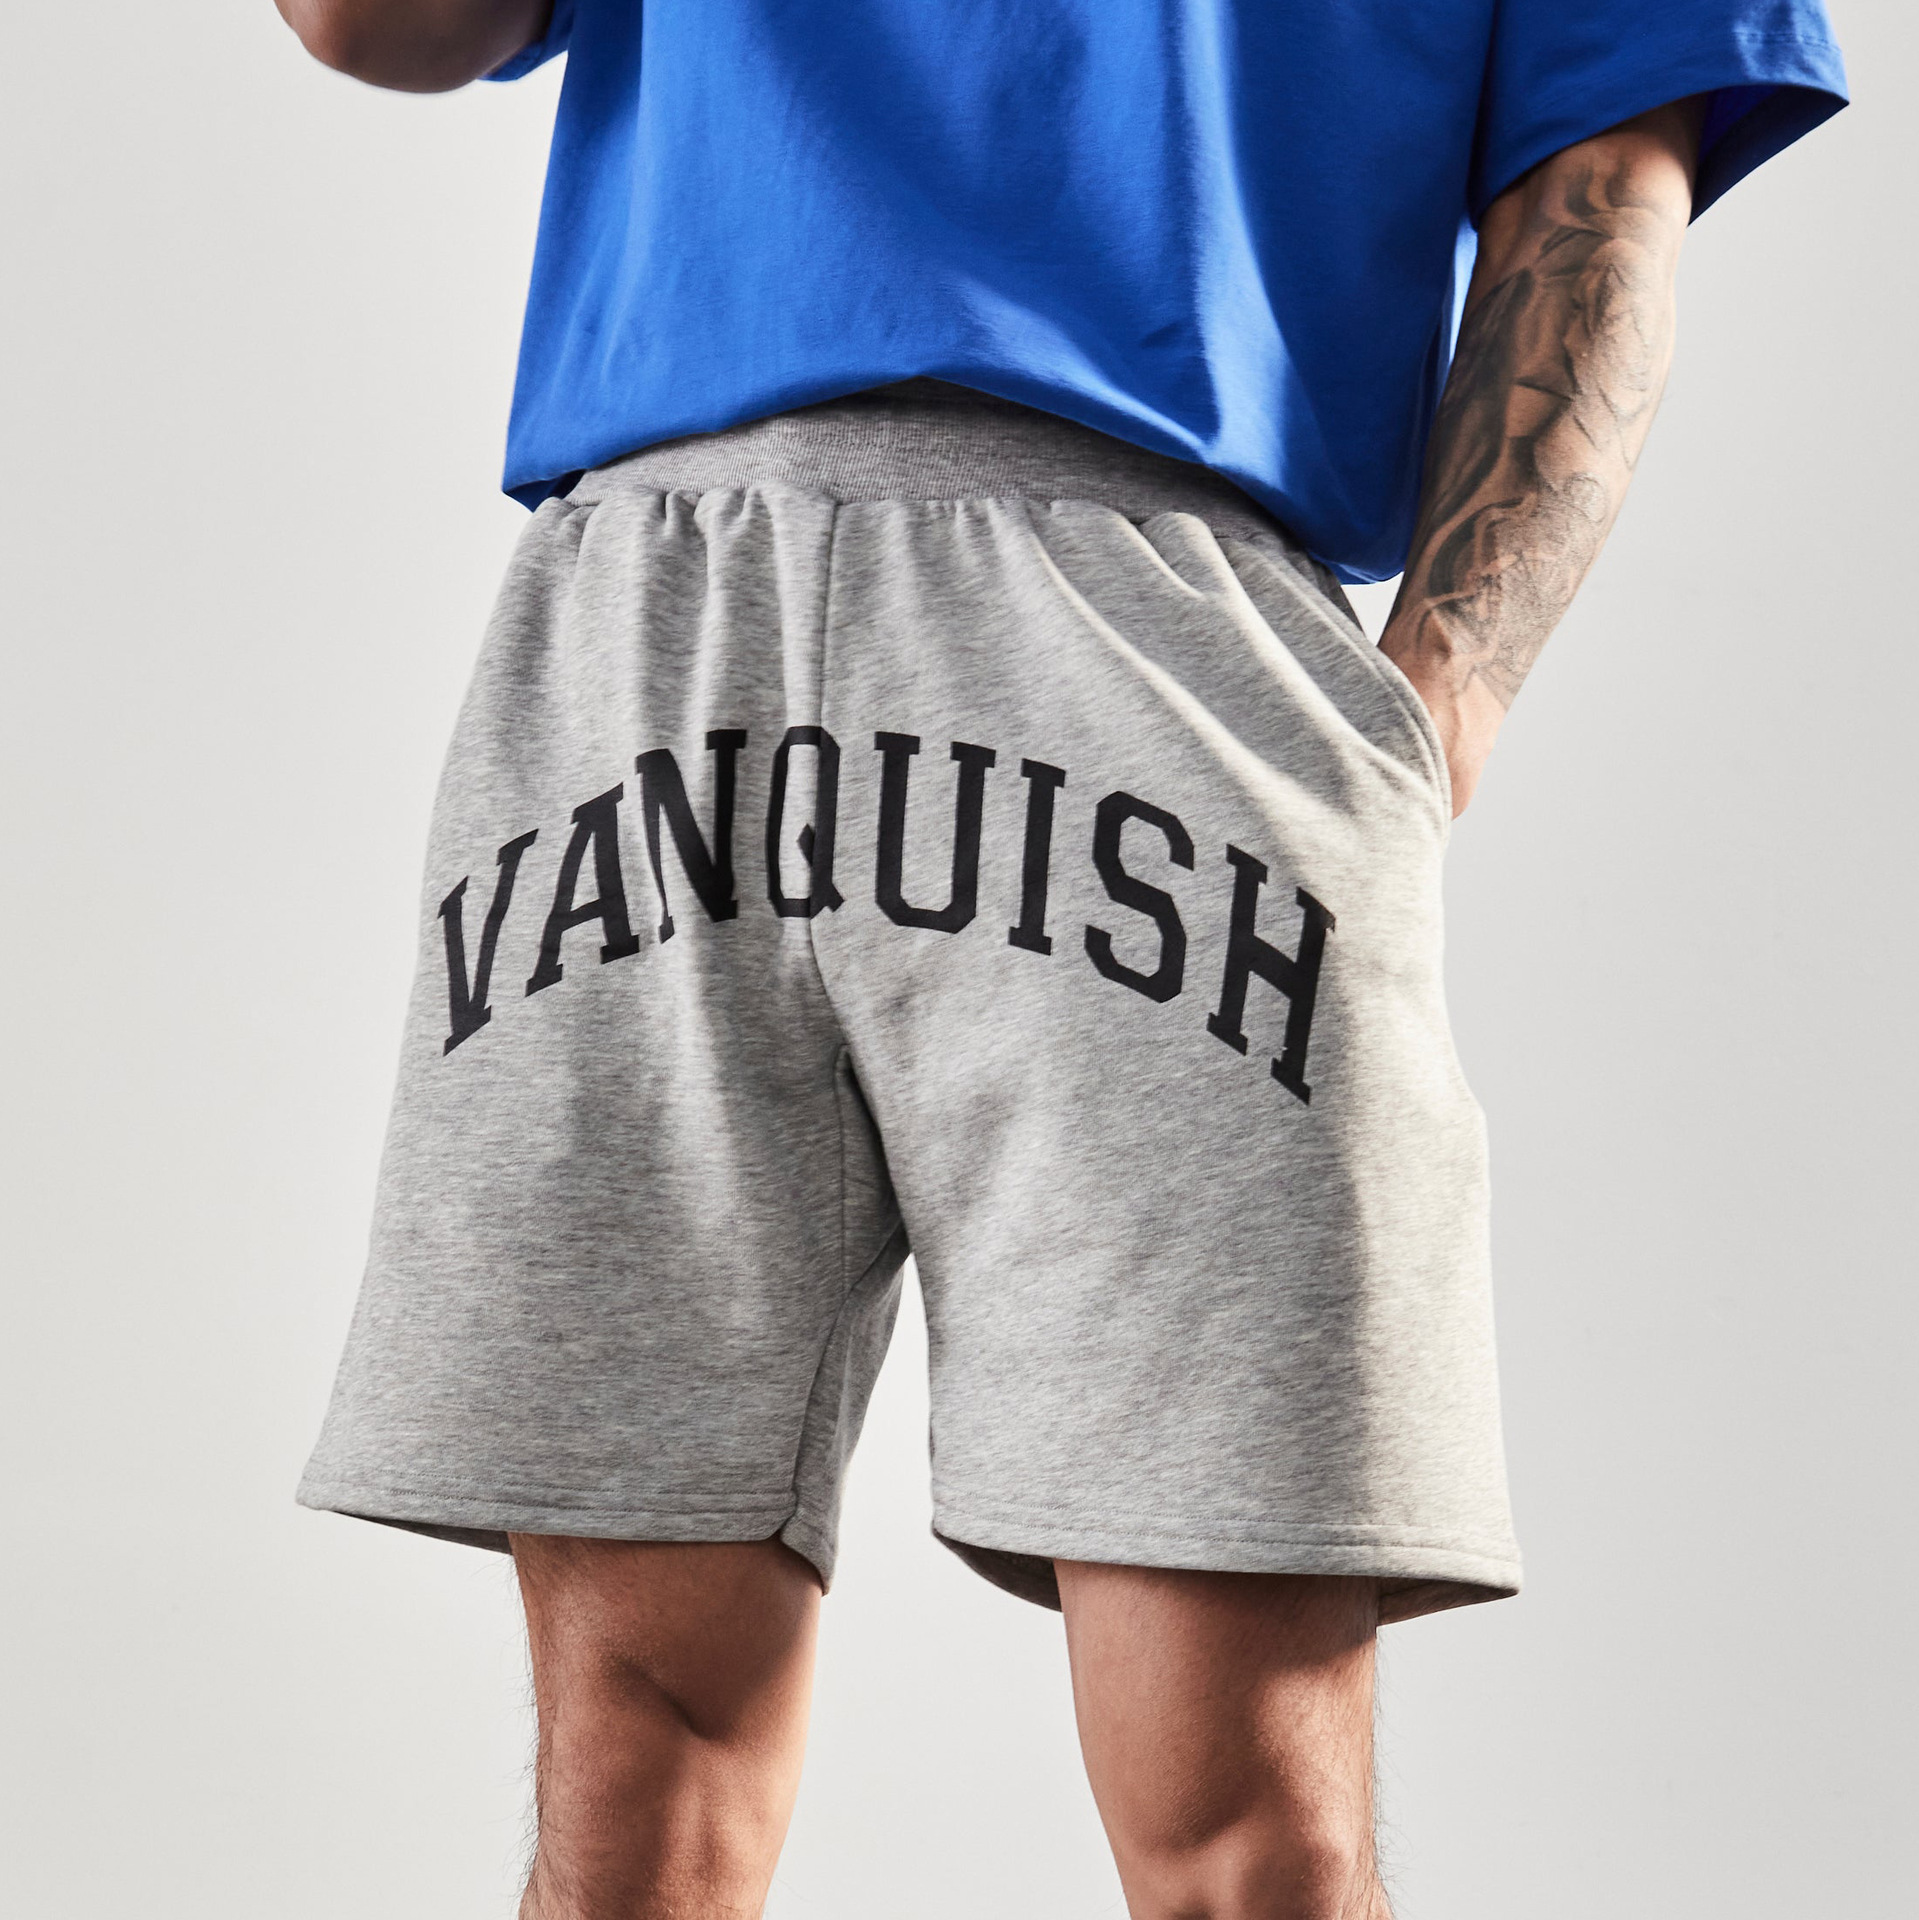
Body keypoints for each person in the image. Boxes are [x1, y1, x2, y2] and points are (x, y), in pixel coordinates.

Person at [279, 3, 1847, 1915]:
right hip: (657, 601)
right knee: (633, 1776)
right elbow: (379, 26)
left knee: (1248, 1823)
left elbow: (1605, 176)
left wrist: (1433, 713)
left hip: (1165, 593)